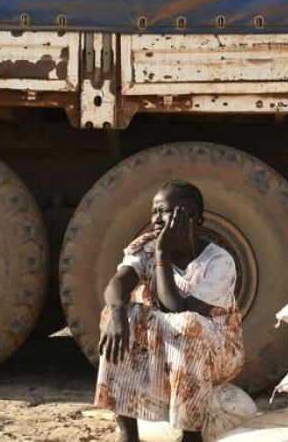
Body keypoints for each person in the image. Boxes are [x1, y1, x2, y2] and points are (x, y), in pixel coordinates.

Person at [95, 179, 244, 442]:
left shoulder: (219, 261)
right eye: (153, 212)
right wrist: (117, 313)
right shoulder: (145, 248)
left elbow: (175, 309)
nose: (156, 219)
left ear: (190, 214)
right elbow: (118, 283)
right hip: (170, 341)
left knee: (188, 324)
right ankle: (128, 434)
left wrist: (163, 254)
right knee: (118, 313)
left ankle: (190, 434)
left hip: (217, 350)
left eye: (163, 210)